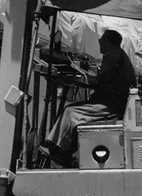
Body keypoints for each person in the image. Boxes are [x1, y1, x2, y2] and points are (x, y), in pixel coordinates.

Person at [39, 29, 136, 167]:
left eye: (101, 40)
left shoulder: (113, 55)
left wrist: (91, 79)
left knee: (71, 112)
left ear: (107, 41)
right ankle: (60, 148)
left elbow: (104, 78)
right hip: (113, 101)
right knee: (72, 111)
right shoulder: (119, 55)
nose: (100, 44)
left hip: (111, 104)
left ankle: (59, 151)